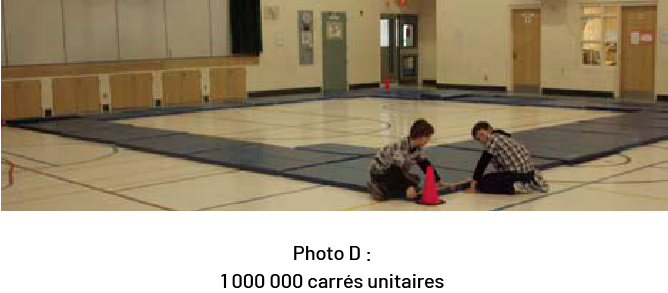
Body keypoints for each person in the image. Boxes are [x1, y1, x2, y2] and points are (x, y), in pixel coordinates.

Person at [367, 119, 442, 201]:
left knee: (415, 180)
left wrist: (437, 180)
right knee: (404, 184)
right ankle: (380, 188)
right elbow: (394, 170)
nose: (428, 140)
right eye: (428, 137)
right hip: (380, 172)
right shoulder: (402, 147)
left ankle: (387, 188)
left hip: (393, 171)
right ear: (422, 136)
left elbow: (425, 164)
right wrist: (408, 186)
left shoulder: (417, 148)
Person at [468, 121, 549, 195]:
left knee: (483, 183)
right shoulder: (504, 136)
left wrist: (474, 183)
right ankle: (528, 183)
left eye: (482, 134)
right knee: (490, 176)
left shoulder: (492, 140)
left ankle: (516, 186)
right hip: (530, 173)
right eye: (479, 139)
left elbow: (482, 163)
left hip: (517, 175)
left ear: (489, 130)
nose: (482, 139)